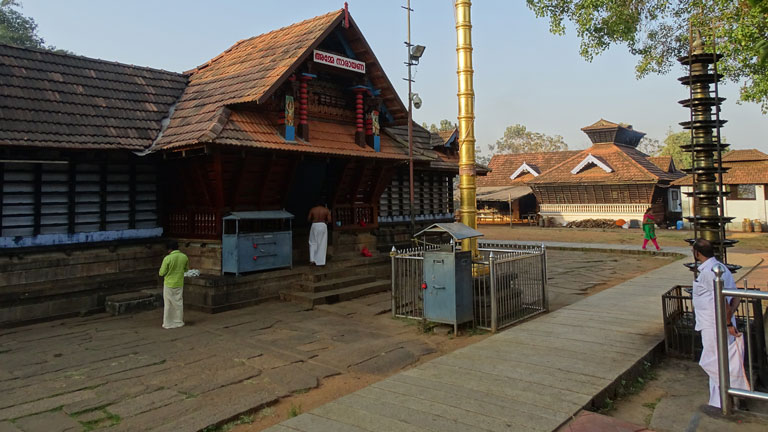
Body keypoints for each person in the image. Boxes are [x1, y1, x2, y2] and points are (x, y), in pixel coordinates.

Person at [691, 239, 750, 408]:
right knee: (720, 359)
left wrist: (727, 322)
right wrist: (730, 316)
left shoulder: (710, 271)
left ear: (697, 253)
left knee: (711, 361)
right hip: (719, 322)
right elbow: (735, 296)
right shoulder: (721, 267)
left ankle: (734, 391)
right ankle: (719, 400)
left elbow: (722, 299)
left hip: (714, 324)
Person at [158, 240, 189, 329]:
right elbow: (186, 269)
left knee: (168, 303)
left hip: (169, 283)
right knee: (178, 302)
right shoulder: (184, 257)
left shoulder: (167, 258)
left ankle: (168, 323)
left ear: (169, 250)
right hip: (179, 282)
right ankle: (178, 321)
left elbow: (161, 272)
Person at [307, 201, 331, 266]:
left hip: (314, 225)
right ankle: (320, 261)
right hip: (323, 225)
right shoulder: (326, 210)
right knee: (322, 243)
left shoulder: (313, 209)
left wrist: (314, 219)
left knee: (312, 242)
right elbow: (329, 220)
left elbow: (308, 219)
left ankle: (312, 260)